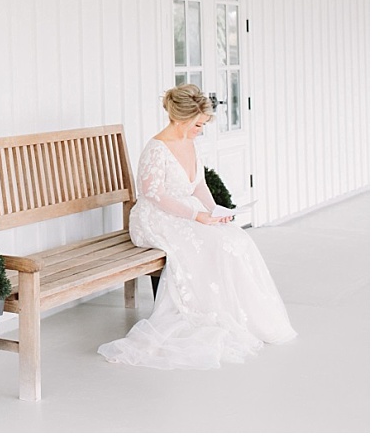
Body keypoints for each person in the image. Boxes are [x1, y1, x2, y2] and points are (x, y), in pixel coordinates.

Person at [98, 84, 296, 369]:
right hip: (155, 217)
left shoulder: (190, 144)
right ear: (181, 118)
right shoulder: (156, 148)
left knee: (235, 239)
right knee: (211, 241)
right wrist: (196, 217)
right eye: (198, 124)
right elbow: (154, 194)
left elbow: (199, 184)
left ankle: (242, 314)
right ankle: (206, 310)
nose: (200, 130)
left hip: (185, 211)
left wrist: (215, 210)